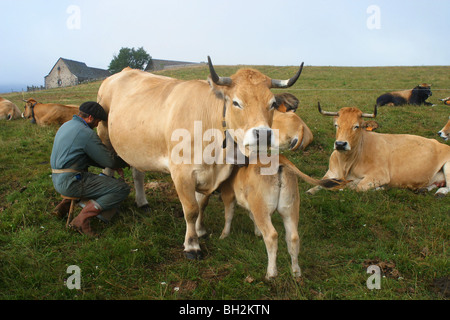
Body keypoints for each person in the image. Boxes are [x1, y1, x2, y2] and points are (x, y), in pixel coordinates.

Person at [50, 101, 130, 236]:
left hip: (57, 178)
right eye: (98, 121)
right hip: (71, 182)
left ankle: (64, 205)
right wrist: (125, 162)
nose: (97, 125)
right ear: (90, 118)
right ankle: (82, 220)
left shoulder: (67, 125)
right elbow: (108, 159)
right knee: (122, 188)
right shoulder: (86, 133)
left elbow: (82, 156)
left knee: (96, 180)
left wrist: (112, 166)